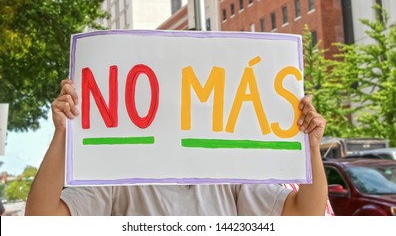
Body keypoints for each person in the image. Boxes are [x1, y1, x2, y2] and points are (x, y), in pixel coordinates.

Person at [25, 79, 328, 216]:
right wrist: (63, 133)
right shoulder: (119, 176)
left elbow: (306, 213)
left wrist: (311, 147)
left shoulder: (228, 173)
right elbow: (41, 219)